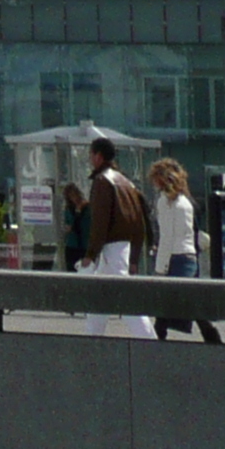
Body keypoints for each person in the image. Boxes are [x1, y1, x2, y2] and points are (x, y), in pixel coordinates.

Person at [78, 136, 154, 339]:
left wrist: (91, 253)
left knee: (127, 299)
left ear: (99, 156)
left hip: (110, 248)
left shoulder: (103, 181)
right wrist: (135, 258)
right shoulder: (126, 182)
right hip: (124, 247)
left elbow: (99, 221)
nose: (89, 159)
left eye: (91, 154)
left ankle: (149, 340)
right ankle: (92, 338)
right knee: (99, 299)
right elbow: (140, 223)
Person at [147, 159, 220, 344]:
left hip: (174, 257)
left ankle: (158, 338)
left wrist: (160, 267)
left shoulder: (165, 203)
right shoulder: (185, 201)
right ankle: (210, 334)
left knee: (170, 303)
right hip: (188, 257)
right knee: (187, 300)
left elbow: (167, 238)